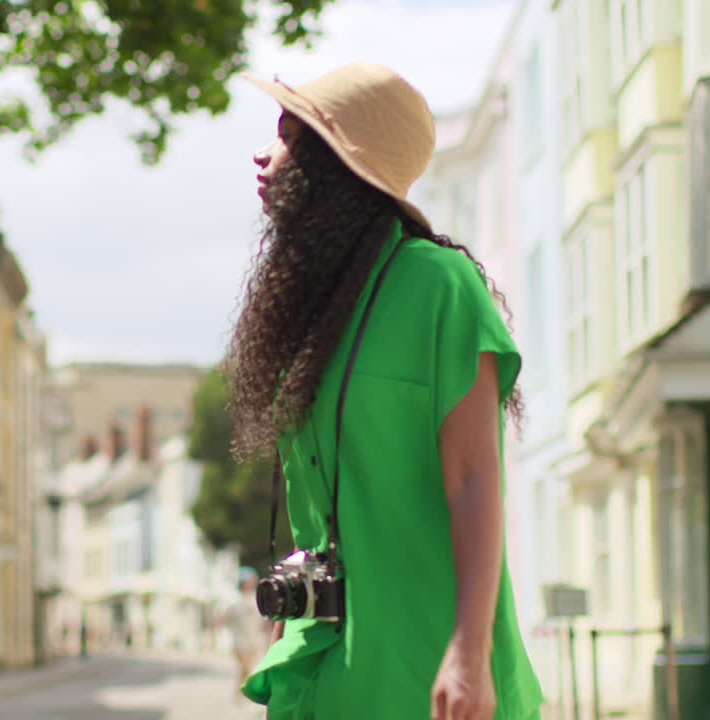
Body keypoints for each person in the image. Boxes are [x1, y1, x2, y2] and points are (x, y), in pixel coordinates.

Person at [227, 64, 544, 720]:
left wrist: (468, 653)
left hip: (432, 673)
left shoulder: (440, 285)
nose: (264, 151)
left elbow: (474, 479)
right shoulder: (314, 309)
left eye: (289, 137)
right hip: (328, 669)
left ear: (335, 166)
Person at [215, 567, 274, 704]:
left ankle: (239, 695)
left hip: (254, 640)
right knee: (245, 667)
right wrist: (215, 634)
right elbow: (222, 617)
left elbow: (264, 620)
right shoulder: (234, 600)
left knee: (246, 669)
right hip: (239, 640)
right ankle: (244, 694)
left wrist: (268, 634)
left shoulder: (256, 599)